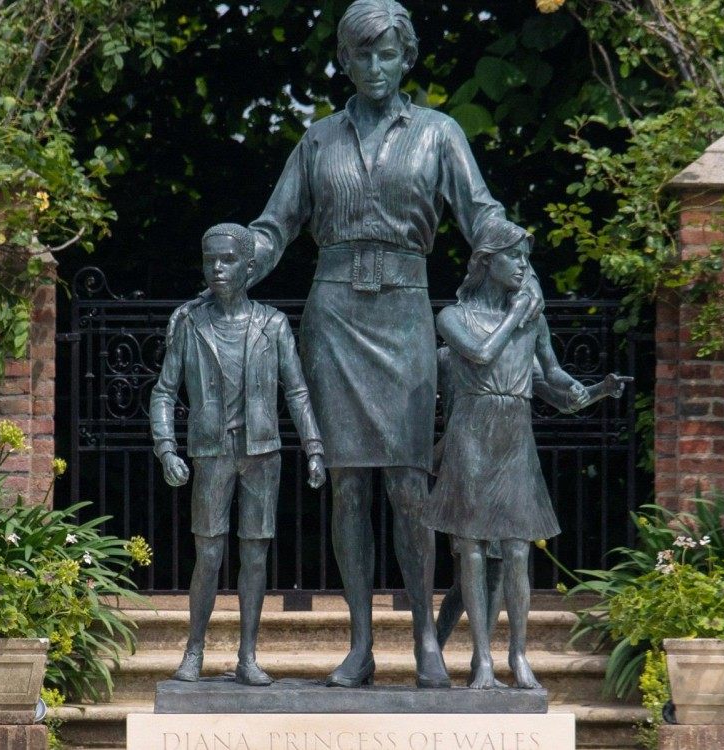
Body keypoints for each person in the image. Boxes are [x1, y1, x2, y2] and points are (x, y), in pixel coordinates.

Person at [234, 0, 543, 688]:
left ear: (407, 59)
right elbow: (275, 225)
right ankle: (360, 643)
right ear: (343, 60)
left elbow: (480, 212)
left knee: (408, 483)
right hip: (335, 317)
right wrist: (236, 261)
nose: (375, 66)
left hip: (404, 312)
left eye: (387, 53)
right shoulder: (317, 142)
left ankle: (425, 642)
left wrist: (520, 255)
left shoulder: (439, 134)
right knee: (347, 488)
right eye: (362, 54)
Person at [426, 221, 629, 689]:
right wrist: (517, 316)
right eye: (513, 256)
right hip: (471, 433)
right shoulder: (453, 317)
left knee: (518, 548)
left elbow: (554, 377)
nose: (522, 265)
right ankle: (482, 660)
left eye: (525, 258)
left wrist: (597, 390)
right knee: (473, 549)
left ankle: (518, 655)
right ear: (486, 261)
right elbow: (478, 354)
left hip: (514, 432)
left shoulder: (530, 318)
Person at [151, 224, 326, 686]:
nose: (217, 269)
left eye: (227, 260)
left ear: (250, 267)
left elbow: (298, 389)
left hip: (262, 453)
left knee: (254, 556)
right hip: (211, 453)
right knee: (208, 555)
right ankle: (195, 650)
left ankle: (248, 655)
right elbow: (164, 392)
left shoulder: (272, 324)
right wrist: (166, 448)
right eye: (211, 260)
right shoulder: (190, 324)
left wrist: (314, 446)